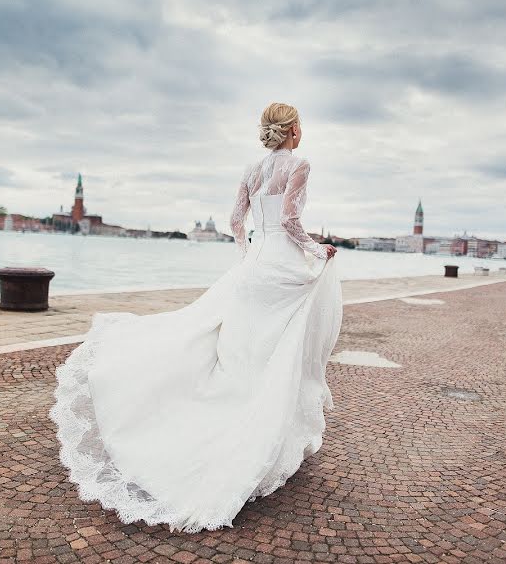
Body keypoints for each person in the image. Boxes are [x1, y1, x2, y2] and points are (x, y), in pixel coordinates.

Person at [50, 102, 342, 533]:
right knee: (279, 349)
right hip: (282, 268)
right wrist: (320, 251)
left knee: (242, 348)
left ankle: (239, 411)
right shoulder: (299, 164)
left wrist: (248, 257)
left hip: (253, 269)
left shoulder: (252, 169)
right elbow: (291, 221)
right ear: (294, 128)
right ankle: (261, 428)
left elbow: (234, 221)